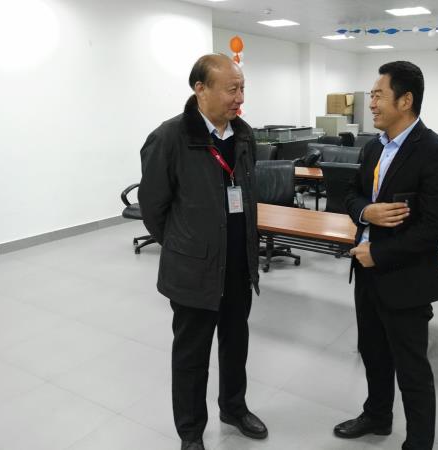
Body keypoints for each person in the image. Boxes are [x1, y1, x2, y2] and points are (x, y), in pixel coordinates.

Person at [138, 53, 267, 450]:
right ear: (200, 89)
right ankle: (191, 432)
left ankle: (234, 407)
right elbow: (153, 208)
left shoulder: (243, 136)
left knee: (236, 343)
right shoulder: (169, 138)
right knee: (191, 355)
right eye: (232, 89)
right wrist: (185, 246)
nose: (239, 97)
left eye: (242, 88)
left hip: (238, 265)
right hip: (194, 271)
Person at [336, 61, 438, 450]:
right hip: (366, 270)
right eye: (371, 95)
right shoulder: (374, 147)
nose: (371, 103)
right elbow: (351, 194)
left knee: (411, 369)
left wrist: (380, 253)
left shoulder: (436, 152)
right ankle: (377, 415)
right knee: (373, 352)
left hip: (406, 277)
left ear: (405, 100)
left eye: (378, 95)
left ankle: (419, 443)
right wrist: (365, 212)